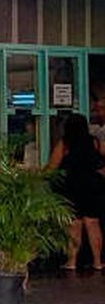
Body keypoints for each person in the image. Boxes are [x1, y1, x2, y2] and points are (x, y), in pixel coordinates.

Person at [48, 112, 105, 272]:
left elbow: (52, 167)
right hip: (92, 187)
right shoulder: (94, 142)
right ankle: (98, 261)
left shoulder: (65, 144)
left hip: (71, 187)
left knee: (74, 225)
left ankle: (72, 262)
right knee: (93, 223)